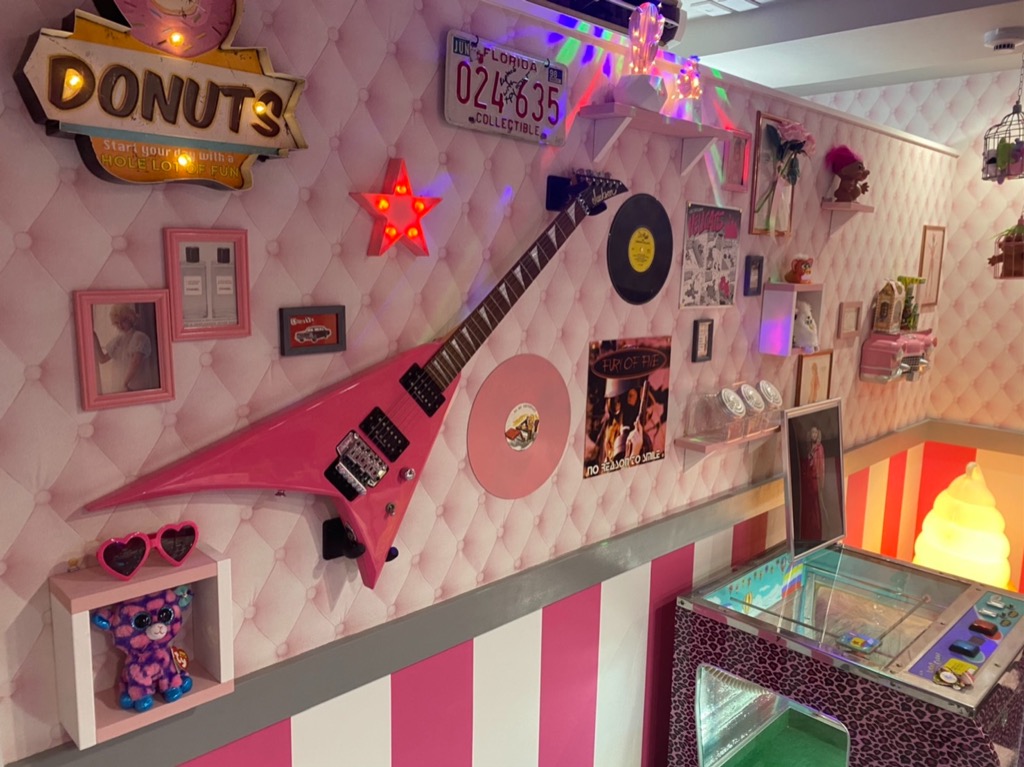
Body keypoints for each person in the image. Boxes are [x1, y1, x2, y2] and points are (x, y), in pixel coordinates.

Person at [93, 304, 158, 394]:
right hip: (121, 385)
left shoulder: (139, 337)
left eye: (123, 321)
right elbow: (102, 359)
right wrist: (94, 337)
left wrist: (125, 383)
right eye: (117, 322)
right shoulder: (118, 340)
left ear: (130, 318)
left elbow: (136, 362)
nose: (120, 325)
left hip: (136, 384)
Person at [798, 425, 827, 540]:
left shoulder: (820, 448)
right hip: (808, 480)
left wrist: (821, 481)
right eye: (812, 433)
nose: (814, 435)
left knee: (816, 505)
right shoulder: (808, 447)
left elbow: (821, 466)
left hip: (816, 479)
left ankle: (816, 530)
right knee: (808, 506)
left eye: (815, 433)